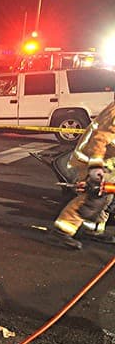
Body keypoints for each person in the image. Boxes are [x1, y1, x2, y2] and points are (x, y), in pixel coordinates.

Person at [50, 98, 115, 249]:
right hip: (91, 158)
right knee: (93, 195)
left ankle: (92, 229)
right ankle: (62, 231)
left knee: (108, 195)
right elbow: (99, 141)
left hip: (109, 160)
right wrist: (95, 170)